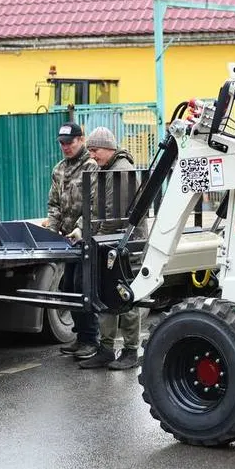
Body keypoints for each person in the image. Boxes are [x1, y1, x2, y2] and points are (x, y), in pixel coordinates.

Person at [76, 127, 150, 370]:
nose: (92, 156)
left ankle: (130, 351)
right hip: (110, 244)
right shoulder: (105, 170)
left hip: (125, 246)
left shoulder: (122, 172)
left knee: (125, 297)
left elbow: (115, 217)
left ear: (108, 148)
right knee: (106, 295)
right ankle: (106, 349)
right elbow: (96, 208)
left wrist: (95, 238)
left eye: (95, 150)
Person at [42, 122, 100, 358]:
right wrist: (52, 229)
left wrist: (80, 229)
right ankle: (80, 336)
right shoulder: (58, 170)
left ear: (81, 140)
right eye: (62, 143)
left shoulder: (92, 167)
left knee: (82, 287)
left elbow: (95, 205)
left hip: (85, 238)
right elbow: (54, 204)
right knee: (68, 288)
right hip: (67, 240)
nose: (65, 147)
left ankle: (91, 340)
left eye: (70, 142)